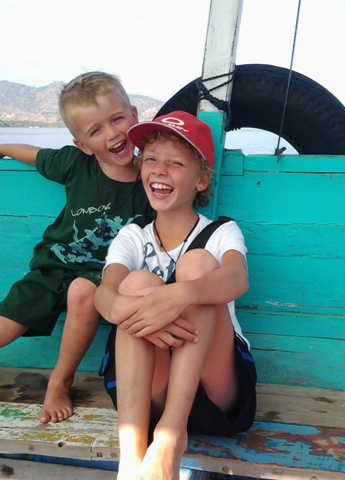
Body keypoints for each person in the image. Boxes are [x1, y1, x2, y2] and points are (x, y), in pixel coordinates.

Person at [0, 71, 159, 424]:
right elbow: (35, 155)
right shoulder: (75, 164)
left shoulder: (151, 179)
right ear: (83, 145)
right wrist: (0, 148)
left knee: (82, 292)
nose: (112, 133)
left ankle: (60, 382)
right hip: (53, 266)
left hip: (105, 276)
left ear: (134, 116)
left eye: (118, 119)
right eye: (96, 131)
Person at [94, 111, 257, 480]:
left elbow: (237, 278)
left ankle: (171, 436)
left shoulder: (221, 232)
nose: (159, 170)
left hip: (216, 390)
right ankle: (132, 457)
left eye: (176, 163)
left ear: (201, 180)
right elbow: (104, 293)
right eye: (151, 159)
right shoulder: (133, 235)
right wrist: (125, 307)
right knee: (135, 283)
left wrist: (181, 296)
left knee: (198, 265)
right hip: (149, 390)